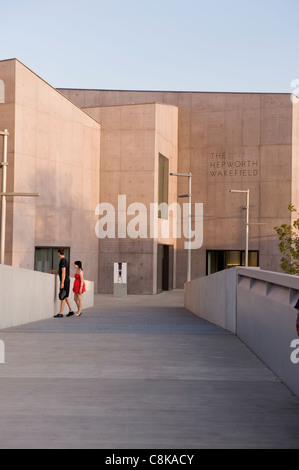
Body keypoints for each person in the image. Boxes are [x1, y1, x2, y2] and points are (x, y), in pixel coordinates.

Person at [52, 248, 74, 318]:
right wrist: (55, 271)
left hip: (65, 281)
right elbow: (62, 271)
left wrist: (62, 283)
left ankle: (60, 313)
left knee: (62, 296)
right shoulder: (65, 260)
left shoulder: (63, 261)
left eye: (57, 253)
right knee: (65, 296)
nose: (57, 254)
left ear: (59, 253)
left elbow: (64, 272)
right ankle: (71, 311)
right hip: (66, 280)